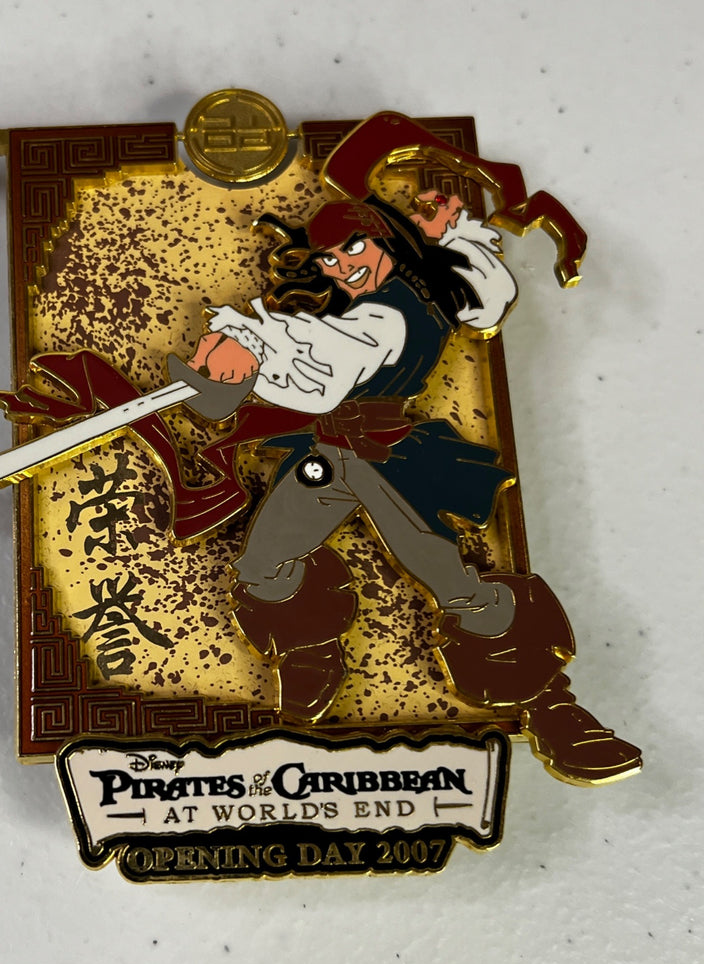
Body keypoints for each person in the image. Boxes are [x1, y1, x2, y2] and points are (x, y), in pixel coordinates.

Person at [170, 184, 641, 786]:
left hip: (390, 459)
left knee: (456, 585)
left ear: (387, 241)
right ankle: (311, 653)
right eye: (329, 258)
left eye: (354, 247)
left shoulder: (393, 310)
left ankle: (550, 707)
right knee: (263, 563)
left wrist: (251, 347)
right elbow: (315, 368)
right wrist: (235, 362)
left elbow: (333, 370)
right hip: (327, 456)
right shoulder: (355, 309)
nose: (342, 266)